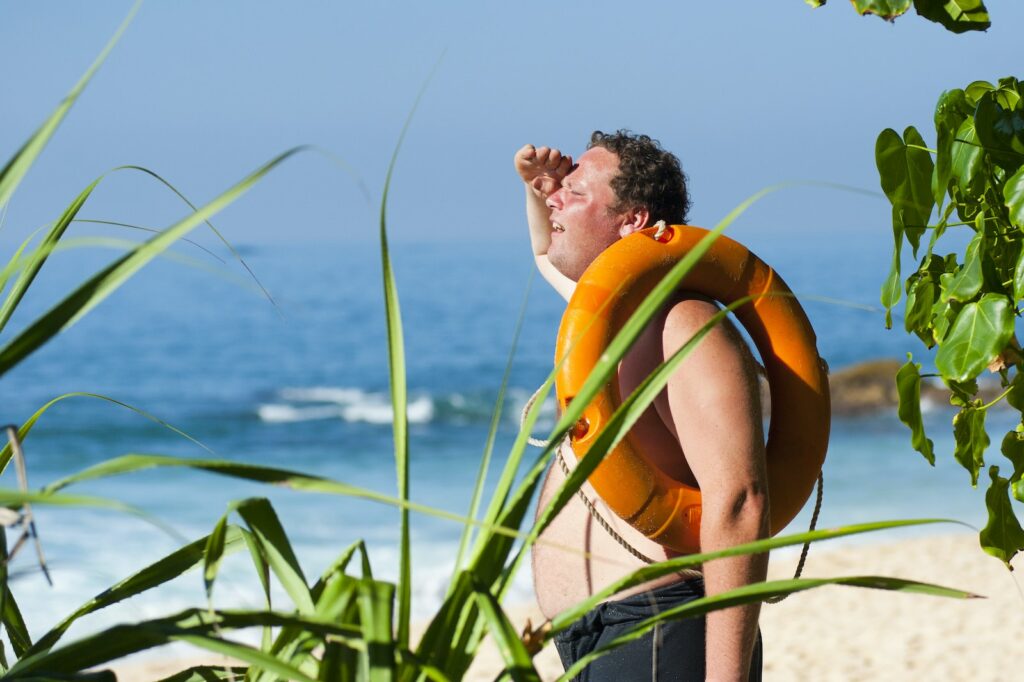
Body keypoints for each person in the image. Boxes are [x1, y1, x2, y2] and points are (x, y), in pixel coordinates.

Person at [516, 130, 767, 680]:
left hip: (660, 623)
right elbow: (544, 253)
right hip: (594, 639)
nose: (556, 199)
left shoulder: (683, 325)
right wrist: (539, 189)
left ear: (632, 221)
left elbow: (740, 502)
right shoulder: (607, 318)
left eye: (575, 193)